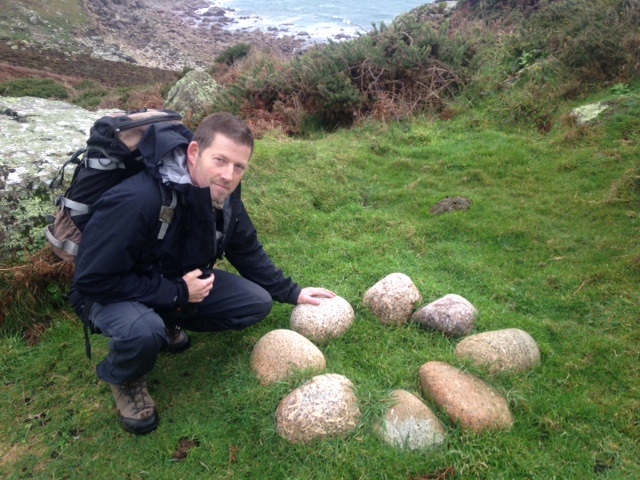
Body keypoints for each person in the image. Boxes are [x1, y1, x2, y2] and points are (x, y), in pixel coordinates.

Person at [69, 112, 335, 435]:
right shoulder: (139, 199)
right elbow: (92, 279)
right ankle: (124, 376)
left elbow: (246, 248)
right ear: (194, 153)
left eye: (239, 167)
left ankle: (166, 322)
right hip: (107, 293)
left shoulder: (223, 191)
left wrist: (294, 293)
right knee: (142, 332)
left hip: (172, 282)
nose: (229, 174)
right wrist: (177, 292)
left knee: (257, 302)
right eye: (220, 160)